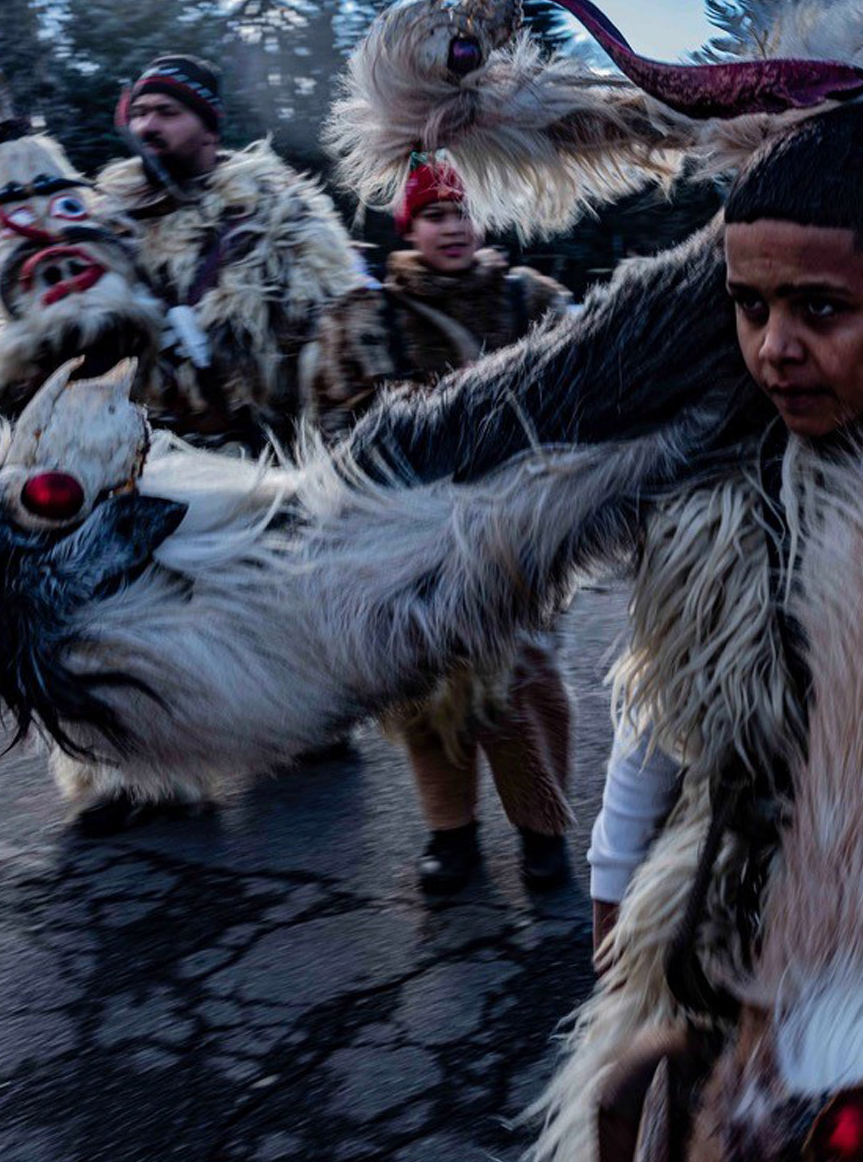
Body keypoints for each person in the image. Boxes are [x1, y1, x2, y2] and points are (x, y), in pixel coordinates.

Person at [313, 155, 580, 893]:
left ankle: (543, 835)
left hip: (518, 532)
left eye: (461, 210)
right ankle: (451, 837)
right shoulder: (369, 321)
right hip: (410, 539)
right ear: (410, 227)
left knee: (522, 688)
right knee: (425, 697)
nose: (451, 226)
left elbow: (588, 401)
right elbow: (337, 428)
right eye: (434, 214)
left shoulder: (531, 302)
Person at [96, 54, 363, 447]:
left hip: (258, 463)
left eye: (167, 112)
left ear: (209, 129)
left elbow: (336, 348)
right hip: (136, 460)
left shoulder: (281, 215)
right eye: (139, 112)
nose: (147, 126)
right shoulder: (107, 224)